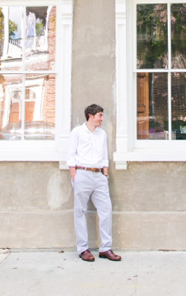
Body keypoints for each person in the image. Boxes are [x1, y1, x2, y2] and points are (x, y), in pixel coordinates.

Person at [66, 104, 121, 262]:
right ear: (90, 115)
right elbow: (70, 155)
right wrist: (74, 176)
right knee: (80, 211)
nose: (102, 119)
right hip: (82, 173)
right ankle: (83, 249)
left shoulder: (101, 134)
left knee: (106, 211)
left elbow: (105, 155)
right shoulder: (77, 132)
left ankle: (105, 248)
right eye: (100, 116)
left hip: (99, 176)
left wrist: (105, 174)